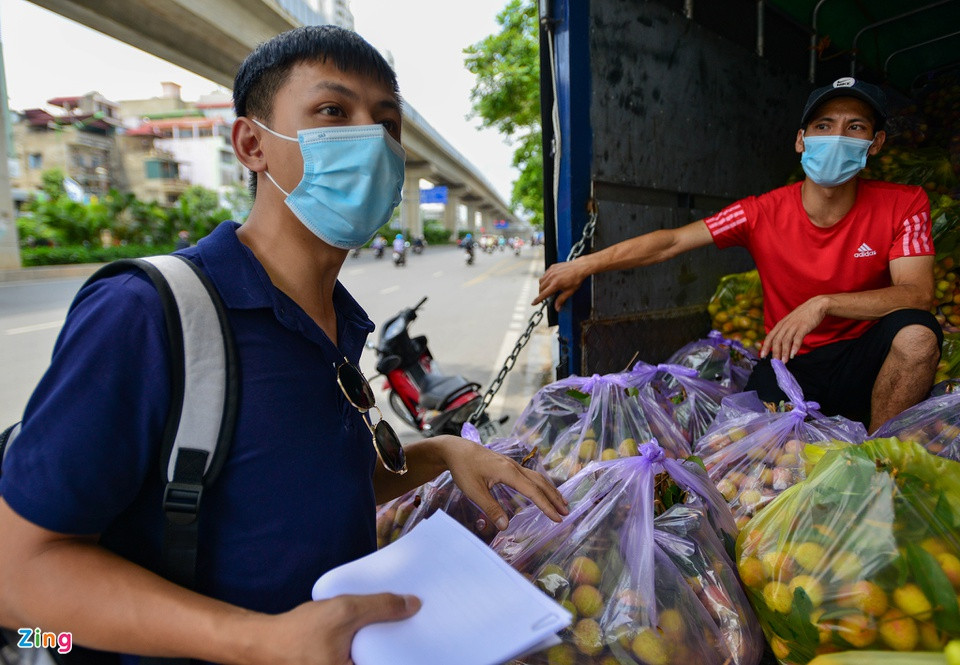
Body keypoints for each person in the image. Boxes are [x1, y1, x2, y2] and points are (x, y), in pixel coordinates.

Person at [0, 26, 567, 664]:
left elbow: (293, 488)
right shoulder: (147, 313)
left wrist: (439, 452)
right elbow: (18, 582)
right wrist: (260, 642)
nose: (372, 141)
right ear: (251, 144)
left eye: (387, 123)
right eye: (333, 111)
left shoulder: (338, 323)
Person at [534, 77, 941, 433]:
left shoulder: (903, 203)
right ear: (801, 140)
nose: (837, 137)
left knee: (918, 334)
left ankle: (882, 460)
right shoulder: (760, 212)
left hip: (863, 363)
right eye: (823, 126)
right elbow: (672, 242)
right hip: (788, 360)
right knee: (750, 456)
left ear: (875, 144)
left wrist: (825, 303)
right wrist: (584, 264)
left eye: (855, 128)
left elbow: (917, 294)